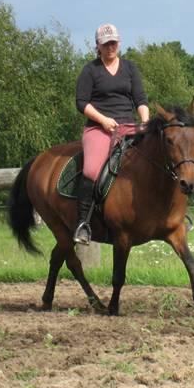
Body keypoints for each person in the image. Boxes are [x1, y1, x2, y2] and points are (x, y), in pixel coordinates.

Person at [73, 23, 150, 244]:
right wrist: (104, 120)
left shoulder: (130, 68)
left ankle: (169, 215)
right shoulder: (90, 70)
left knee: (158, 156)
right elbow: (81, 103)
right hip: (99, 127)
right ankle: (83, 224)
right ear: (98, 45)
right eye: (106, 44)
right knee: (92, 169)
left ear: (119, 42)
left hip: (129, 125)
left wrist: (145, 121)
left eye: (113, 43)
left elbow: (141, 100)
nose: (110, 47)